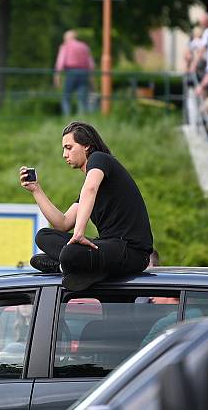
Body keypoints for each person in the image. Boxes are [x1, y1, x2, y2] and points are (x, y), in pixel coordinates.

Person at [19, 121, 153, 291]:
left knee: (70, 253)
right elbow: (63, 223)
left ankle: (76, 266)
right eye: (63, 149)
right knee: (42, 236)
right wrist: (36, 190)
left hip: (133, 253)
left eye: (69, 147)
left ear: (87, 146)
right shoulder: (89, 189)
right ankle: (76, 268)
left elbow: (90, 188)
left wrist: (79, 234)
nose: (64, 155)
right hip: (109, 248)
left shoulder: (99, 158)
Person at [54, 30, 95, 116]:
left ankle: (67, 118)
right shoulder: (84, 46)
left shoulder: (65, 46)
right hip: (84, 73)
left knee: (66, 97)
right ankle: (82, 121)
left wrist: (57, 76)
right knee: (82, 98)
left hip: (71, 73)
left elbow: (60, 62)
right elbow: (91, 63)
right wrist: (91, 78)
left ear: (68, 38)